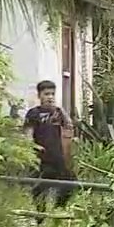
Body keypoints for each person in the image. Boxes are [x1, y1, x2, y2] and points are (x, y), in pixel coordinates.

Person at [22, 80, 76, 214]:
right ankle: (40, 217)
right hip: (41, 160)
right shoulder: (33, 114)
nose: (50, 97)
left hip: (58, 159)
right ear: (40, 96)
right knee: (39, 191)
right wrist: (32, 151)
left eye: (52, 94)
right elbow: (28, 135)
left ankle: (58, 211)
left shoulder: (59, 113)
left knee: (70, 184)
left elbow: (69, 131)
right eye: (46, 94)